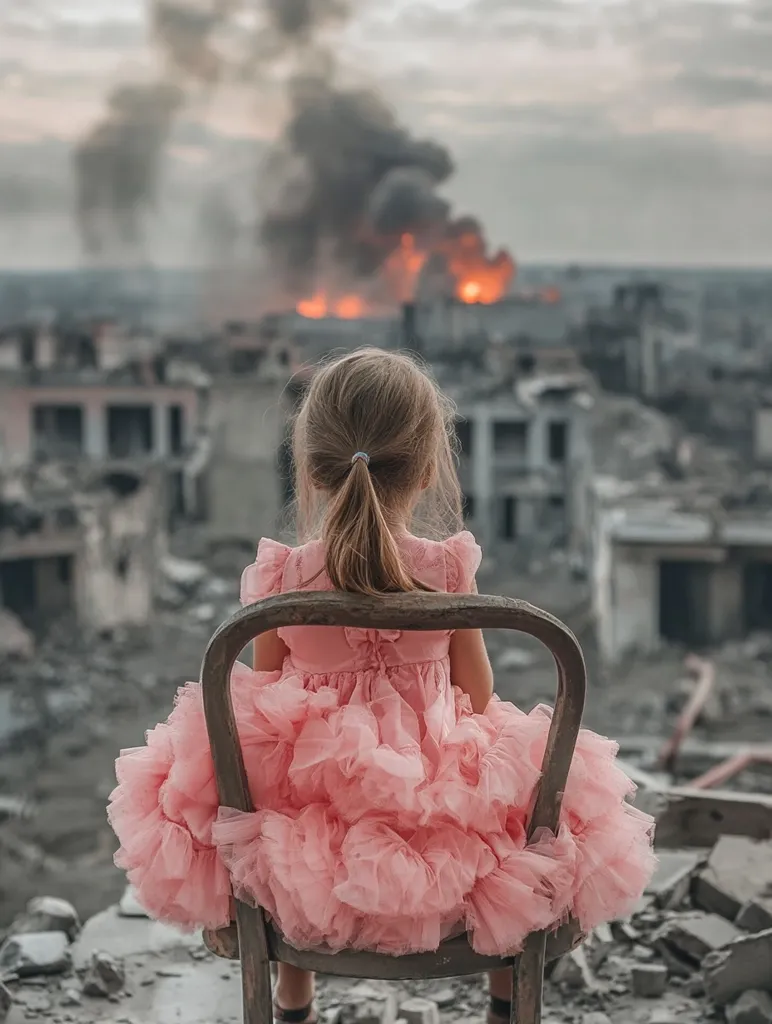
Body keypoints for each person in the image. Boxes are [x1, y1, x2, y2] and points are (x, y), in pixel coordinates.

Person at [108, 348, 655, 1024]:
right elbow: (478, 699)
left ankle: (294, 995)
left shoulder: (281, 580)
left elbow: (260, 698)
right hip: (439, 845)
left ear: (311, 468)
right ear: (427, 470)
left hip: (312, 859)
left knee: (273, 794)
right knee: (528, 801)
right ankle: (506, 998)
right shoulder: (449, 570)